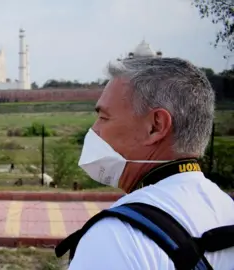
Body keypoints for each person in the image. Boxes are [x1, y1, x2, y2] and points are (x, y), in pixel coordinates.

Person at [66, 57, 234, 269]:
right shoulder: (225, 210)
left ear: (155, 126)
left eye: (104, 117)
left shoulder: (119, 236)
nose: (95, 130)